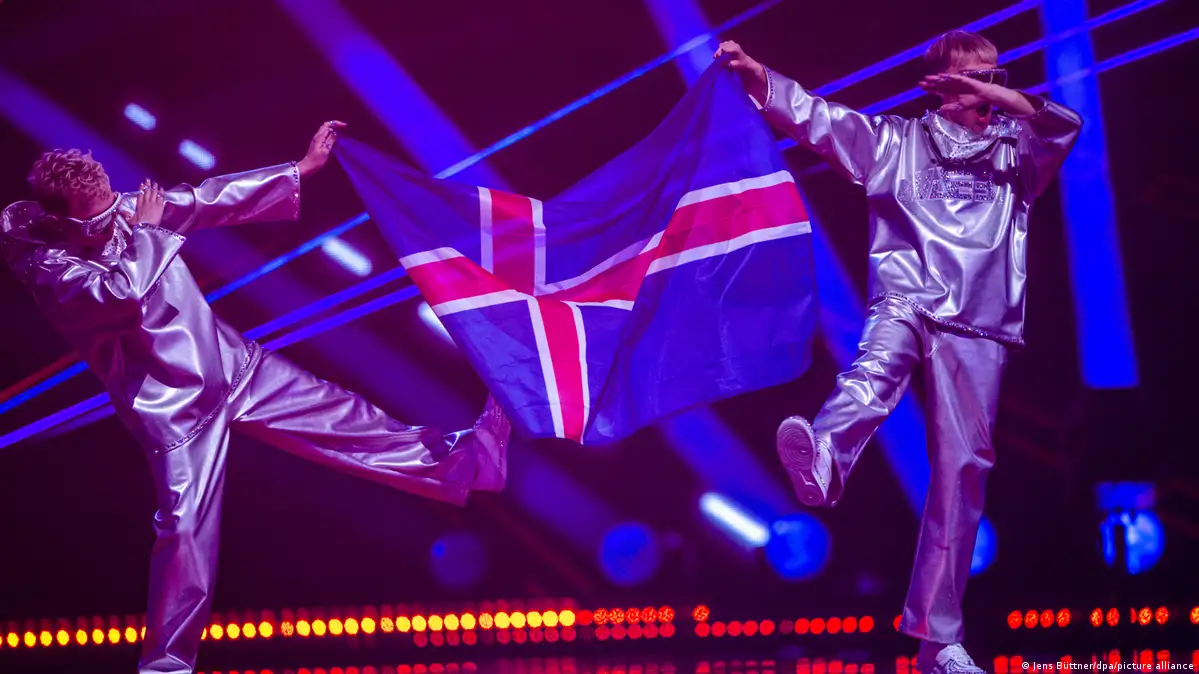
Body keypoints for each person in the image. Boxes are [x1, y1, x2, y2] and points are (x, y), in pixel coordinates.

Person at [1, 121, 510, 674]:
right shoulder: (50, 271)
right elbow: (120, 295)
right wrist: (146, 231)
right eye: (96, 218)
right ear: (63, 221)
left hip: (231, 364)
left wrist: (300, 170)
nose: (112, 218)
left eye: (110, 205)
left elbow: (206, 199)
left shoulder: (129, 215)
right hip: (177, 413)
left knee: (349, 420)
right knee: (185, 536)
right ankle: (165, 667)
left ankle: (470, 463)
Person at [716, 30, 1081, 673]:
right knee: (874, 370)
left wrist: (996, 93)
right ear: (938, 85)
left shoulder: (1018, 151)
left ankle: (938, 641)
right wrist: (757, 75)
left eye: (994, 76)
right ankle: (823, 455)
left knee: (962, 470)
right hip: (907, 298)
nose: (987, 88)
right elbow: (815, 118)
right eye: (972, 77)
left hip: (980, 320)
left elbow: (1063, 124)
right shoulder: (897, 142)